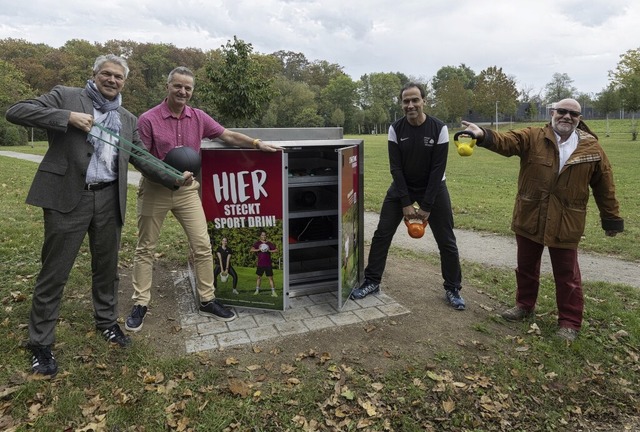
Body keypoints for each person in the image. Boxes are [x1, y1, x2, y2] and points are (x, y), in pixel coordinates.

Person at [5, 54, 190, 377]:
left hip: (108, 199)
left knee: (106, 270)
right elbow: (16, 111)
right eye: (107, 74)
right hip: (68, 199)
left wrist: (174, 177)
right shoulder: (66, 96)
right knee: (55, 272)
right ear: (94, 74)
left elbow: (142, 158)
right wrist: (67, 118)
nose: (112, 80)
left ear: (124, 82)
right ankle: (40, 343)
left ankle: (106, 322)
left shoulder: (127, 118)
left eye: (119, 77)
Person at [125, 66, 281, 331]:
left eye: (188, 87)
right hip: (155, 189)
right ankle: (140, 303)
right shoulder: (148, 119)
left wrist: (256, 144)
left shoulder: (198, 117)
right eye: (178, 86)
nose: (183, 91)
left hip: (187, 191)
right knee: (145, 248)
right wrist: (168, 176)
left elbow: (227, 135)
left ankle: (207, 300)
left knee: (203, 246)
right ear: (168, 86)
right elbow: (140, 159)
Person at [461, 98, 624, 341]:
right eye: (562, 112)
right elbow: (508, 141)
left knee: (567, 276)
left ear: (580, 118)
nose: (566, 117)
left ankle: (569, 322)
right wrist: (483, 135)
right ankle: (524, 306)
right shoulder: (533, 136)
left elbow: (605, 187)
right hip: (531, 214)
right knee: (526, 267)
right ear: (552, 113)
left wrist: (611, 220)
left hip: (567, 221)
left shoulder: (592, 149)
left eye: (573, 114)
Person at [350, 82, 465, 311]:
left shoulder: (439, 128)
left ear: (424, 101)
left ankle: (453, 288)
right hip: (403, 187)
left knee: (447, 241)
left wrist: (427, 206)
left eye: (415, 100)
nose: (410, 105)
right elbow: (396, 168)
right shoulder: (395, 128)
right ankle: (372, 281)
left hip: (433, 187)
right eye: (406, 101)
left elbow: (437, 170)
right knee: (382, 234)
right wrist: (405, 202)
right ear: (401, 104)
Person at [250, 231, 278, 297]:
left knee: (270, 278)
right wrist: (258, 249)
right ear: (260, 236)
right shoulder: (257, 243)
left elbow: (276, 250)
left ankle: (273, 292)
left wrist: (270, 250)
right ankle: (257, 290)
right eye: (262, 235)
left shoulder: (269, 243)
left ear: (266, 236)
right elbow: (251, 249)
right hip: (260, 264)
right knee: (259, 277)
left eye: (265, 235)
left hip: (268, 264)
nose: (264, 236)